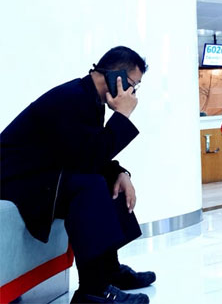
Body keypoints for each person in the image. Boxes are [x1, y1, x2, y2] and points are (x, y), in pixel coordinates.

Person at [0, 47, 155, 304]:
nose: (133, 94)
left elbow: (85, 151)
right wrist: (122, 115)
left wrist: (120, 172)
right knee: (90, 186)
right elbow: (87, 159)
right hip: (17, 180)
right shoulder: (71, 98)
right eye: (133, 85)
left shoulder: (89, 98)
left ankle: (109, 271)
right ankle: (93, 291)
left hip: (45, 174)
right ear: (117, 76)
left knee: (109, 181)